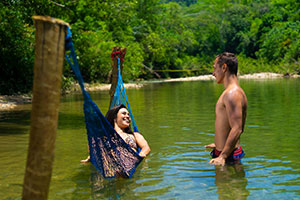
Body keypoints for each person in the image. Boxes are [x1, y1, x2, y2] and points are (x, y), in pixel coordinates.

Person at [205, 52, 247, 166]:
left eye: (215, 69)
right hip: (226, 152)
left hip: (227, 156)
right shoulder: (234, 92)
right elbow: (235, 126)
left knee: (226, 184)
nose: (213, 73)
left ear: (224, 67)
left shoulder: (232, 93)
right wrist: (219, 143)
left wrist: (222, 156)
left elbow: (237, 128)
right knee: (228, 184)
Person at [80, 104, 150, 163]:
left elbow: (146, 147)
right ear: (114, 117)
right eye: (124, 113)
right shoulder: (103, 136)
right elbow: (93, 149)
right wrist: (93, 157)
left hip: (130, 164)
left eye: (128, 114)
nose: (128, 116)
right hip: (111, 166)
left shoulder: (135, 135)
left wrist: (141, 154)